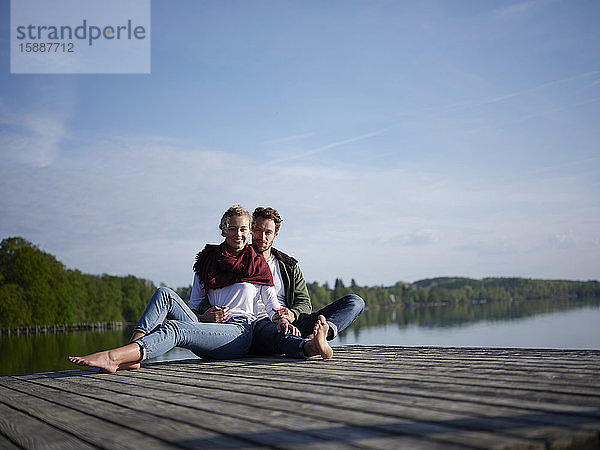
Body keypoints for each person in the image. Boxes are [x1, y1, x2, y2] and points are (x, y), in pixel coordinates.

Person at [69, 205, 332, 373]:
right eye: (232, 229)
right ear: (223, 230)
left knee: (175, 329)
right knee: (163, 294)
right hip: (208, 328)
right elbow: (194, 308)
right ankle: (132, 353)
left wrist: (281, 316)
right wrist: (205, 317)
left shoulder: (258, 264)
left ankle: (113, 357)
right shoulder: (206, 262)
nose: (239, 235)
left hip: (239, 333)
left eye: (243, 230)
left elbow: (273, 303)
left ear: (248, 231)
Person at [194, 206, 365, 357]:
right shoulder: (238, 260)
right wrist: (207, 312)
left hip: (291, 320)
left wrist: (292, 314)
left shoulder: (288, 265)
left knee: (355, 302)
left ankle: (323, 334)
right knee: (276, 331)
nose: (262, 237)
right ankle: (308, 345)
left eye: (268, 232)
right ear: (251, 231)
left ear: (275, 235)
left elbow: (304, 303)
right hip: (258, 324)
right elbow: (211, 295)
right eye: (258, 231)